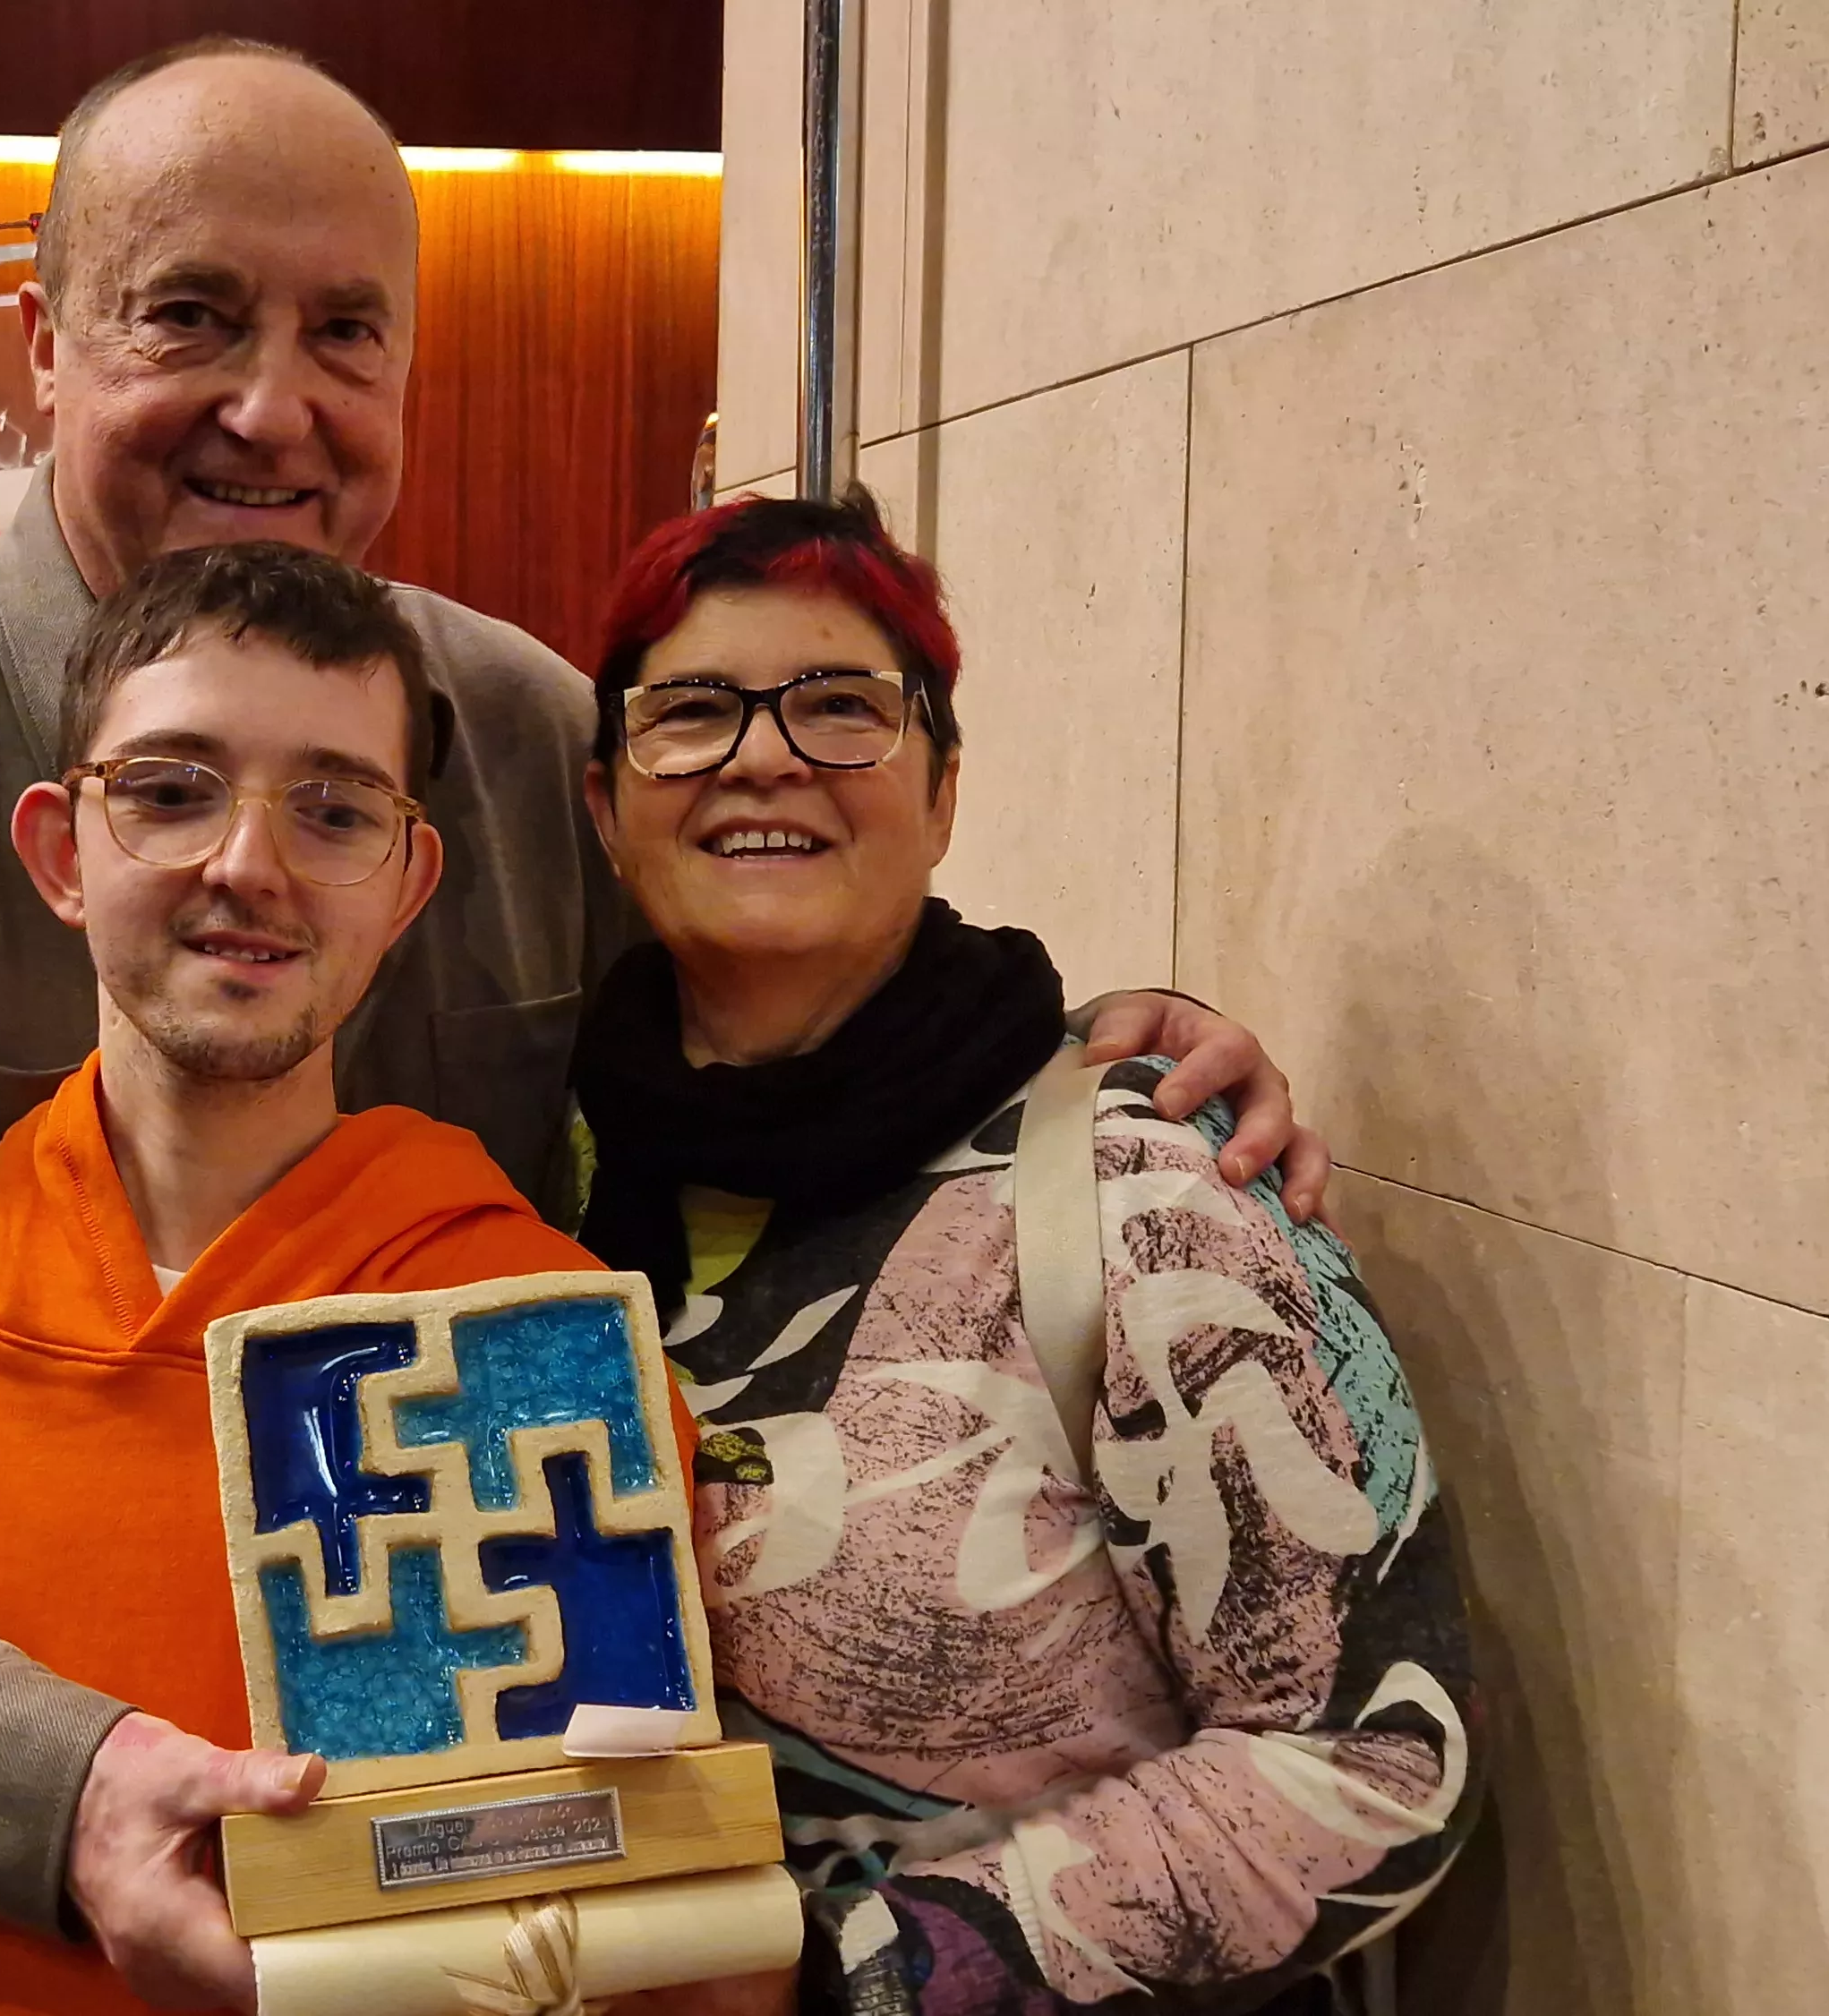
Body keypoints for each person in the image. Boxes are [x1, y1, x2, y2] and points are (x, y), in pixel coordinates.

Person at [0, 35, 1332, 2003]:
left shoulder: (526, 730)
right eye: (189, 316)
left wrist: (1051, 1048)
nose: (271, 407)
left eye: (346, 334)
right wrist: (47, 1782)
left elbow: (773, 1014)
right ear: (42, 344)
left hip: (490, 1848)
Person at [0, 541, 615, 2013]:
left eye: (334, 807)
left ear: (408, 884)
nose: (248, 864)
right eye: (170, 791)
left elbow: (567, 1916)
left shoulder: (528, 1342)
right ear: (56, 853)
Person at [568, 496, 1477, 2014]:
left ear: (942, 792)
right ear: (605, 804)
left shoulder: (1144, 1183)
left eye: (841, 707)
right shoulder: (544, 1179)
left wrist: (834, 1984)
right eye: (693, 713)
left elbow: (1369, 1758)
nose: (765, 756)